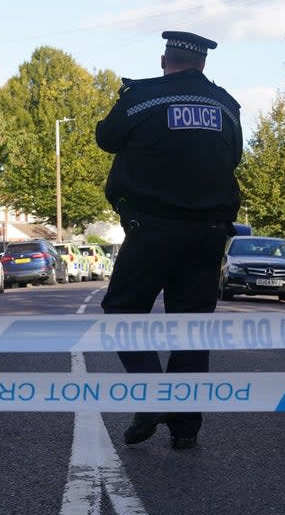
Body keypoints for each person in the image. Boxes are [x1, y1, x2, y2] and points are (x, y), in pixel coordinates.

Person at [95, 30, 243, 450]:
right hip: (209, 233)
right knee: (192, 327)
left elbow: (105, 138)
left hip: (153, 228)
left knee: (122, 311)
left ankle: (152, 396)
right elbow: (234, 156)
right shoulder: (226, 106)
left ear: (165, 60)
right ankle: (185, 426)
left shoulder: (142, 99)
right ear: (202, 65)